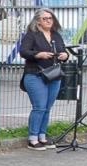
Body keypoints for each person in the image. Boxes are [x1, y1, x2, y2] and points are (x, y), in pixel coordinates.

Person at [18, 9, 71, 150]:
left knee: (47, 108)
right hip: (36, 74)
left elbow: (64, 50)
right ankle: (33, 138)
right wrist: (38, 54)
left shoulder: (56, 35)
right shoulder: (32, 35)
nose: (49, 20)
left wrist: (65, 55)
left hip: (54, 74)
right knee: (39, 107)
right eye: (45, 18)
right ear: (38, 21)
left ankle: (42, 136)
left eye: (50, 18)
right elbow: (23, 51)